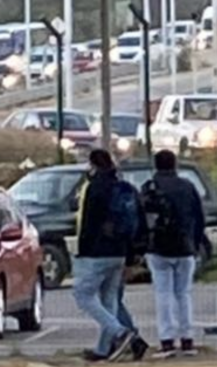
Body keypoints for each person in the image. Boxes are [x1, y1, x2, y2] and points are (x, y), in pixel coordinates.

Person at [73, 149, 140, 362]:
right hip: (119, 251)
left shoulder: (94, 188)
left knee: (83, 295)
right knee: (109, 298)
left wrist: (83, 251)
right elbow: (134, 223)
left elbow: (89, 223)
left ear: (93, 165)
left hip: (97, 252)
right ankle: (103, 349)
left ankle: (120, 333)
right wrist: (130, 255)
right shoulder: (124, 188)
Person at [142, 150, 206, 359]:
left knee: (163, 294)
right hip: (185, 246)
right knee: (183, 294)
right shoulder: (188, 187)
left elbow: (142, 218)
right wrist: (195, 243)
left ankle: (166, 341)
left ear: (156, 165)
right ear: (175, 164)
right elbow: (199, 217)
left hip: (158, 248)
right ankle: (187, 339)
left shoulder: (150, 187)